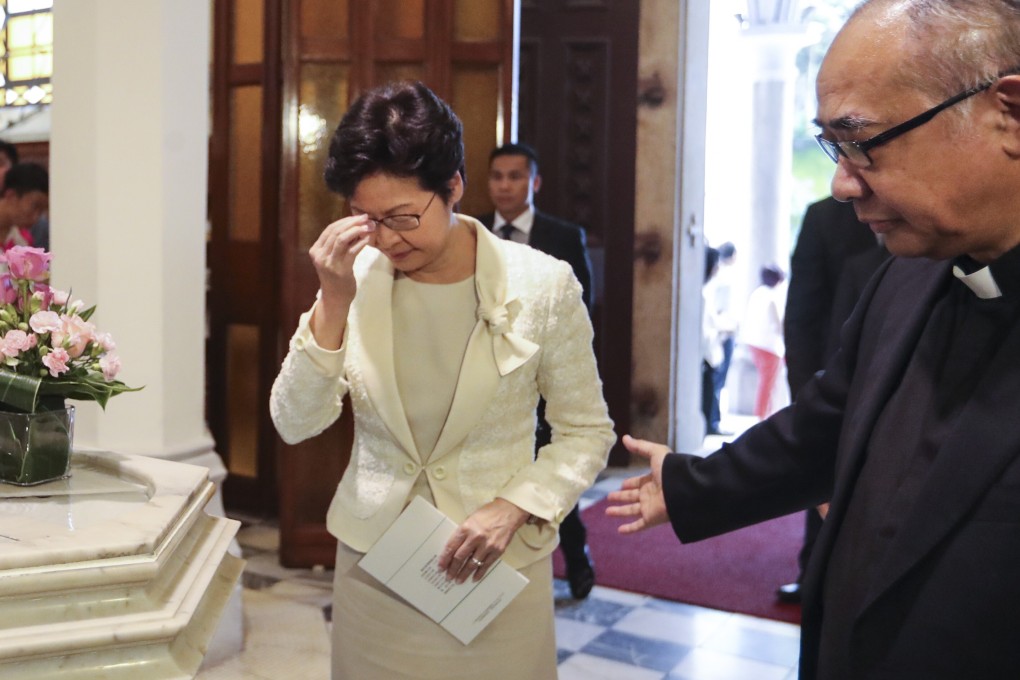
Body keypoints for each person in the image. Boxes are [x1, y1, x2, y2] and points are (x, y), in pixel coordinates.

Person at [607, 2, 1020, 678]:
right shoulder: (904, 281)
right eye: (832, 145)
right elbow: (824, 425)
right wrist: (692, 486)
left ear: (1007, 112)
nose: (840, 182)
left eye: (864, 142)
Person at [270, 81, 615, 679]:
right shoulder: (354, 280)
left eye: (404, 216)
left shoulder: (542, 285)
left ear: (453, 186)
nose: (386, 238)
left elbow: (586, 431)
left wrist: (515, 505)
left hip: (495, 572)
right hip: (377, 571)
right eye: (366, 218)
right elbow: (295, 422)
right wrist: (331, 299)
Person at [475, 142, 599, 599]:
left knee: (547, 472)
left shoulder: (562, 235)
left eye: (515, 176)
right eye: (497, 177)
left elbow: (581, 310)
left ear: (535, 182)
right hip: (485, 376)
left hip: (544, 377)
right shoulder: (473, 233)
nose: (505, 186)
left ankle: (577, 560)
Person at [777, 196, 886, 604]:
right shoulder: (825, 217)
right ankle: (813, 574)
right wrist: (806, 394)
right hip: (834, 376)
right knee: (824, 475)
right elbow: (802, 316)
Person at [739, 264, 787, 420]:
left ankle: (764, 415)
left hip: (754, 343)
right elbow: (778, 324)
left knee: (766, 382)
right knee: (768, 384)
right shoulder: (772, 297)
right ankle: (763, 416)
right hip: (769, 346)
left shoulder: (757, 293)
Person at [703, 242, 738, 435]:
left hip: (716, 338)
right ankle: (711, 422)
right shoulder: (722, 281)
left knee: (714, 385)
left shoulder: (713, 284)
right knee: (714, 384)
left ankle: (712, 421)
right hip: (715, 340)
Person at [0, 163, 48, 252]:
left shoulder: (24, 242)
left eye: (41, 211)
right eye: (34, 206)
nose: (36, 218)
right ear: (11, 196)